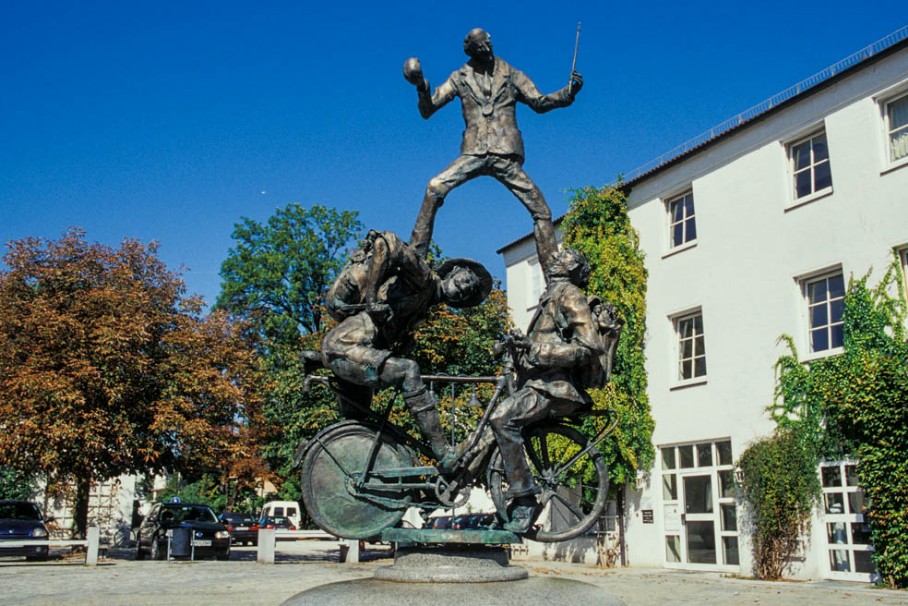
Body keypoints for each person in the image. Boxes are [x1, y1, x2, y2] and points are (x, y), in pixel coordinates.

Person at [403, 27, 583, 269]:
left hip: (505, 152)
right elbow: (429, 108)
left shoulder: (510, 73)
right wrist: (421, 86)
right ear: (471, 51)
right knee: (434, 187)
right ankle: (415, 257)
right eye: (481, 48)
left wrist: (567, 93)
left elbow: (539, 102)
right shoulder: (459, 77)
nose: (487, 51)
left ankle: (556, 276)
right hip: (474, 151)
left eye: (489, 45)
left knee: (542, 210)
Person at [321, 230, 493, 464]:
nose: (464, 290)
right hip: (346, 346)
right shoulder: (423, 278)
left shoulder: (425, 305)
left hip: (356, 353)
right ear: (452, 272)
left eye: (469, 292)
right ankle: (443, 451)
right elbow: (387, 243)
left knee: (359, 436)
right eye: (465, 281)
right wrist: (371, 300)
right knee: (408, 370)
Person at [488, 248, 615, 533]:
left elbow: (589, 347)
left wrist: (538, 350)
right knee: (488, 435)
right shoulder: (551, 295)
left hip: (555, 388)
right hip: (537, 384)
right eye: (559, 255)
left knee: (501, 419)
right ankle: (505, 506)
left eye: (568, 257)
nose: (558, 258)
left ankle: (524, 499)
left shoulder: (570, 294)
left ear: (574, 269)